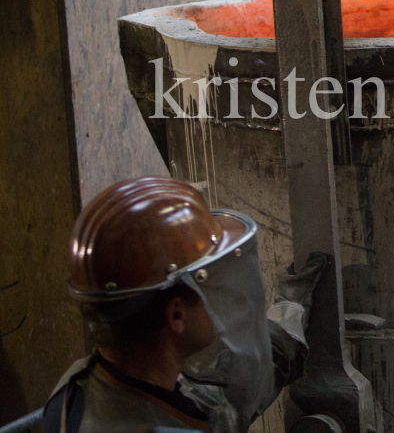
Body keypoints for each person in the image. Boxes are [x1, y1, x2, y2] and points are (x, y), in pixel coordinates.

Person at [42, 176, 326, 433]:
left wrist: (286, 321)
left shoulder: (75, 390)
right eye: (209, 288)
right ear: (176, 313)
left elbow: (221, 402)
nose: (219, 299)